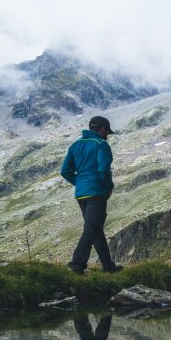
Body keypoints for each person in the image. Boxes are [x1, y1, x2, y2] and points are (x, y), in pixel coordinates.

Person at [60, 115, 123, 273]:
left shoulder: (75, 145)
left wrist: (80, 183)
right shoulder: (101, 145)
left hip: (81, 194)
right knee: (91, 229)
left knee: (95, 229)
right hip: (97, 193)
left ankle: (108, 266)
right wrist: (108, 187)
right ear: (102, 130)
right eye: (107, 132)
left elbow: (65, 171)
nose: (107, 136)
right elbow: (103, 170)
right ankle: (77, 264)